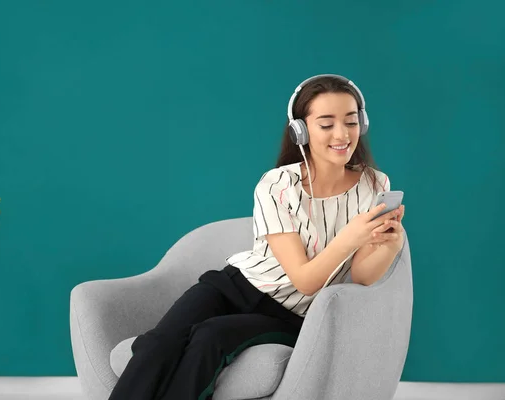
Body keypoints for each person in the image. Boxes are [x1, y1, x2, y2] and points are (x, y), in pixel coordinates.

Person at [108, 74, 406, 400]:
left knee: (211, 337)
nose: (342, 134)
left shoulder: (375, 185)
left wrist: (389, 245)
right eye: (326, 124)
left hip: (292, 315)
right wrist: (351, 237)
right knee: (159, 342)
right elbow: (303, 275)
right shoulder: (278, 185)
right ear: (301, 131)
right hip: (234, 286)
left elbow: (358, 277)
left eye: (350, 122)